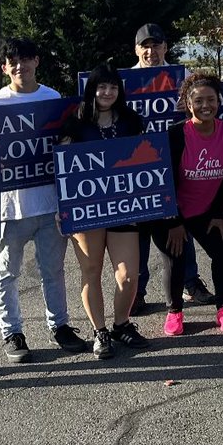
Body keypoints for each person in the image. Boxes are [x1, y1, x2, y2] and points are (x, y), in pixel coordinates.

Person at [0, 37, 90, 363]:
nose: (19, 66)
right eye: (12, 61)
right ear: (4, 67)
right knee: (6, 271)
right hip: (10, 206)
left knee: (53, 270)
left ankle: (60, 326)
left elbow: (68, 148)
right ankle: (12, 332)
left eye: (25, 59)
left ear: (37, 61)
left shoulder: (52, 99)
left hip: (50, 202)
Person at [61, 65, 151, 359]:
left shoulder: (131, 120)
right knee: (92, 270)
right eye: (102, 87)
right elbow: (63, 168)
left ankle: (121, 324)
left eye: (113, 87)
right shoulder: (75, 124)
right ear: (91, 90)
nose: (107, 92)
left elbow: (147, 160)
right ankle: (100, 332)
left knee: (128, 276)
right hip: (86, 209)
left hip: (124, 206)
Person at [150, 72, 223, 335]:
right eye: (199, 101)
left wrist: (220, 213)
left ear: (219, 101)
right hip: (171, 212)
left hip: (206, 210)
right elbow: (163, 181)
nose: (206, 106)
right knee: (175, 259)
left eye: (211, 100)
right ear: (188, 105)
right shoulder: (175, 135)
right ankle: (175, 312)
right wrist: (174, 221)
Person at [130, 23, 213, 312]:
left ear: (165, 47)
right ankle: (137, 291)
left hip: (178, 165)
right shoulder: (126, 82)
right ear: (137, 49)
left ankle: (190, 283)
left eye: (157, 44)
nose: (151, 51)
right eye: (145, 45)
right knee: (139, 232)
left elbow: (201, 110)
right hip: (139, 168)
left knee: (181, 226)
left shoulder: (183, 78)